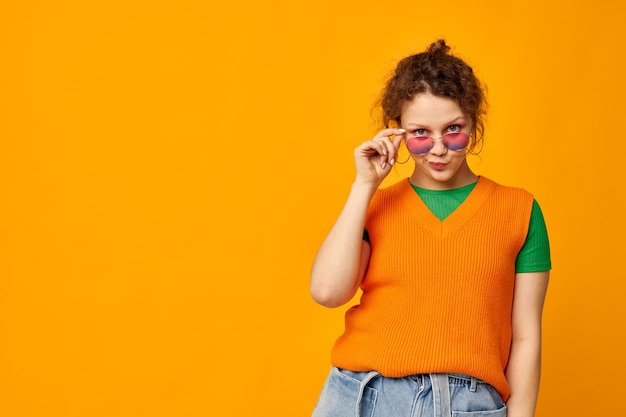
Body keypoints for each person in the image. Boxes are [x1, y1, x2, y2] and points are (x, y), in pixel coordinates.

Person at [310, 39, 551, 417]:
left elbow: (525, 336)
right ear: (398, 133)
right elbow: (327, 291)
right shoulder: (376, 204)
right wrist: (364, 186)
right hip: (364, 396)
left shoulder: (519, 211)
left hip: (470, 403)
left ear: (474, 122)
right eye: (420, 133)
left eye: (453, 129)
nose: (438, 148)